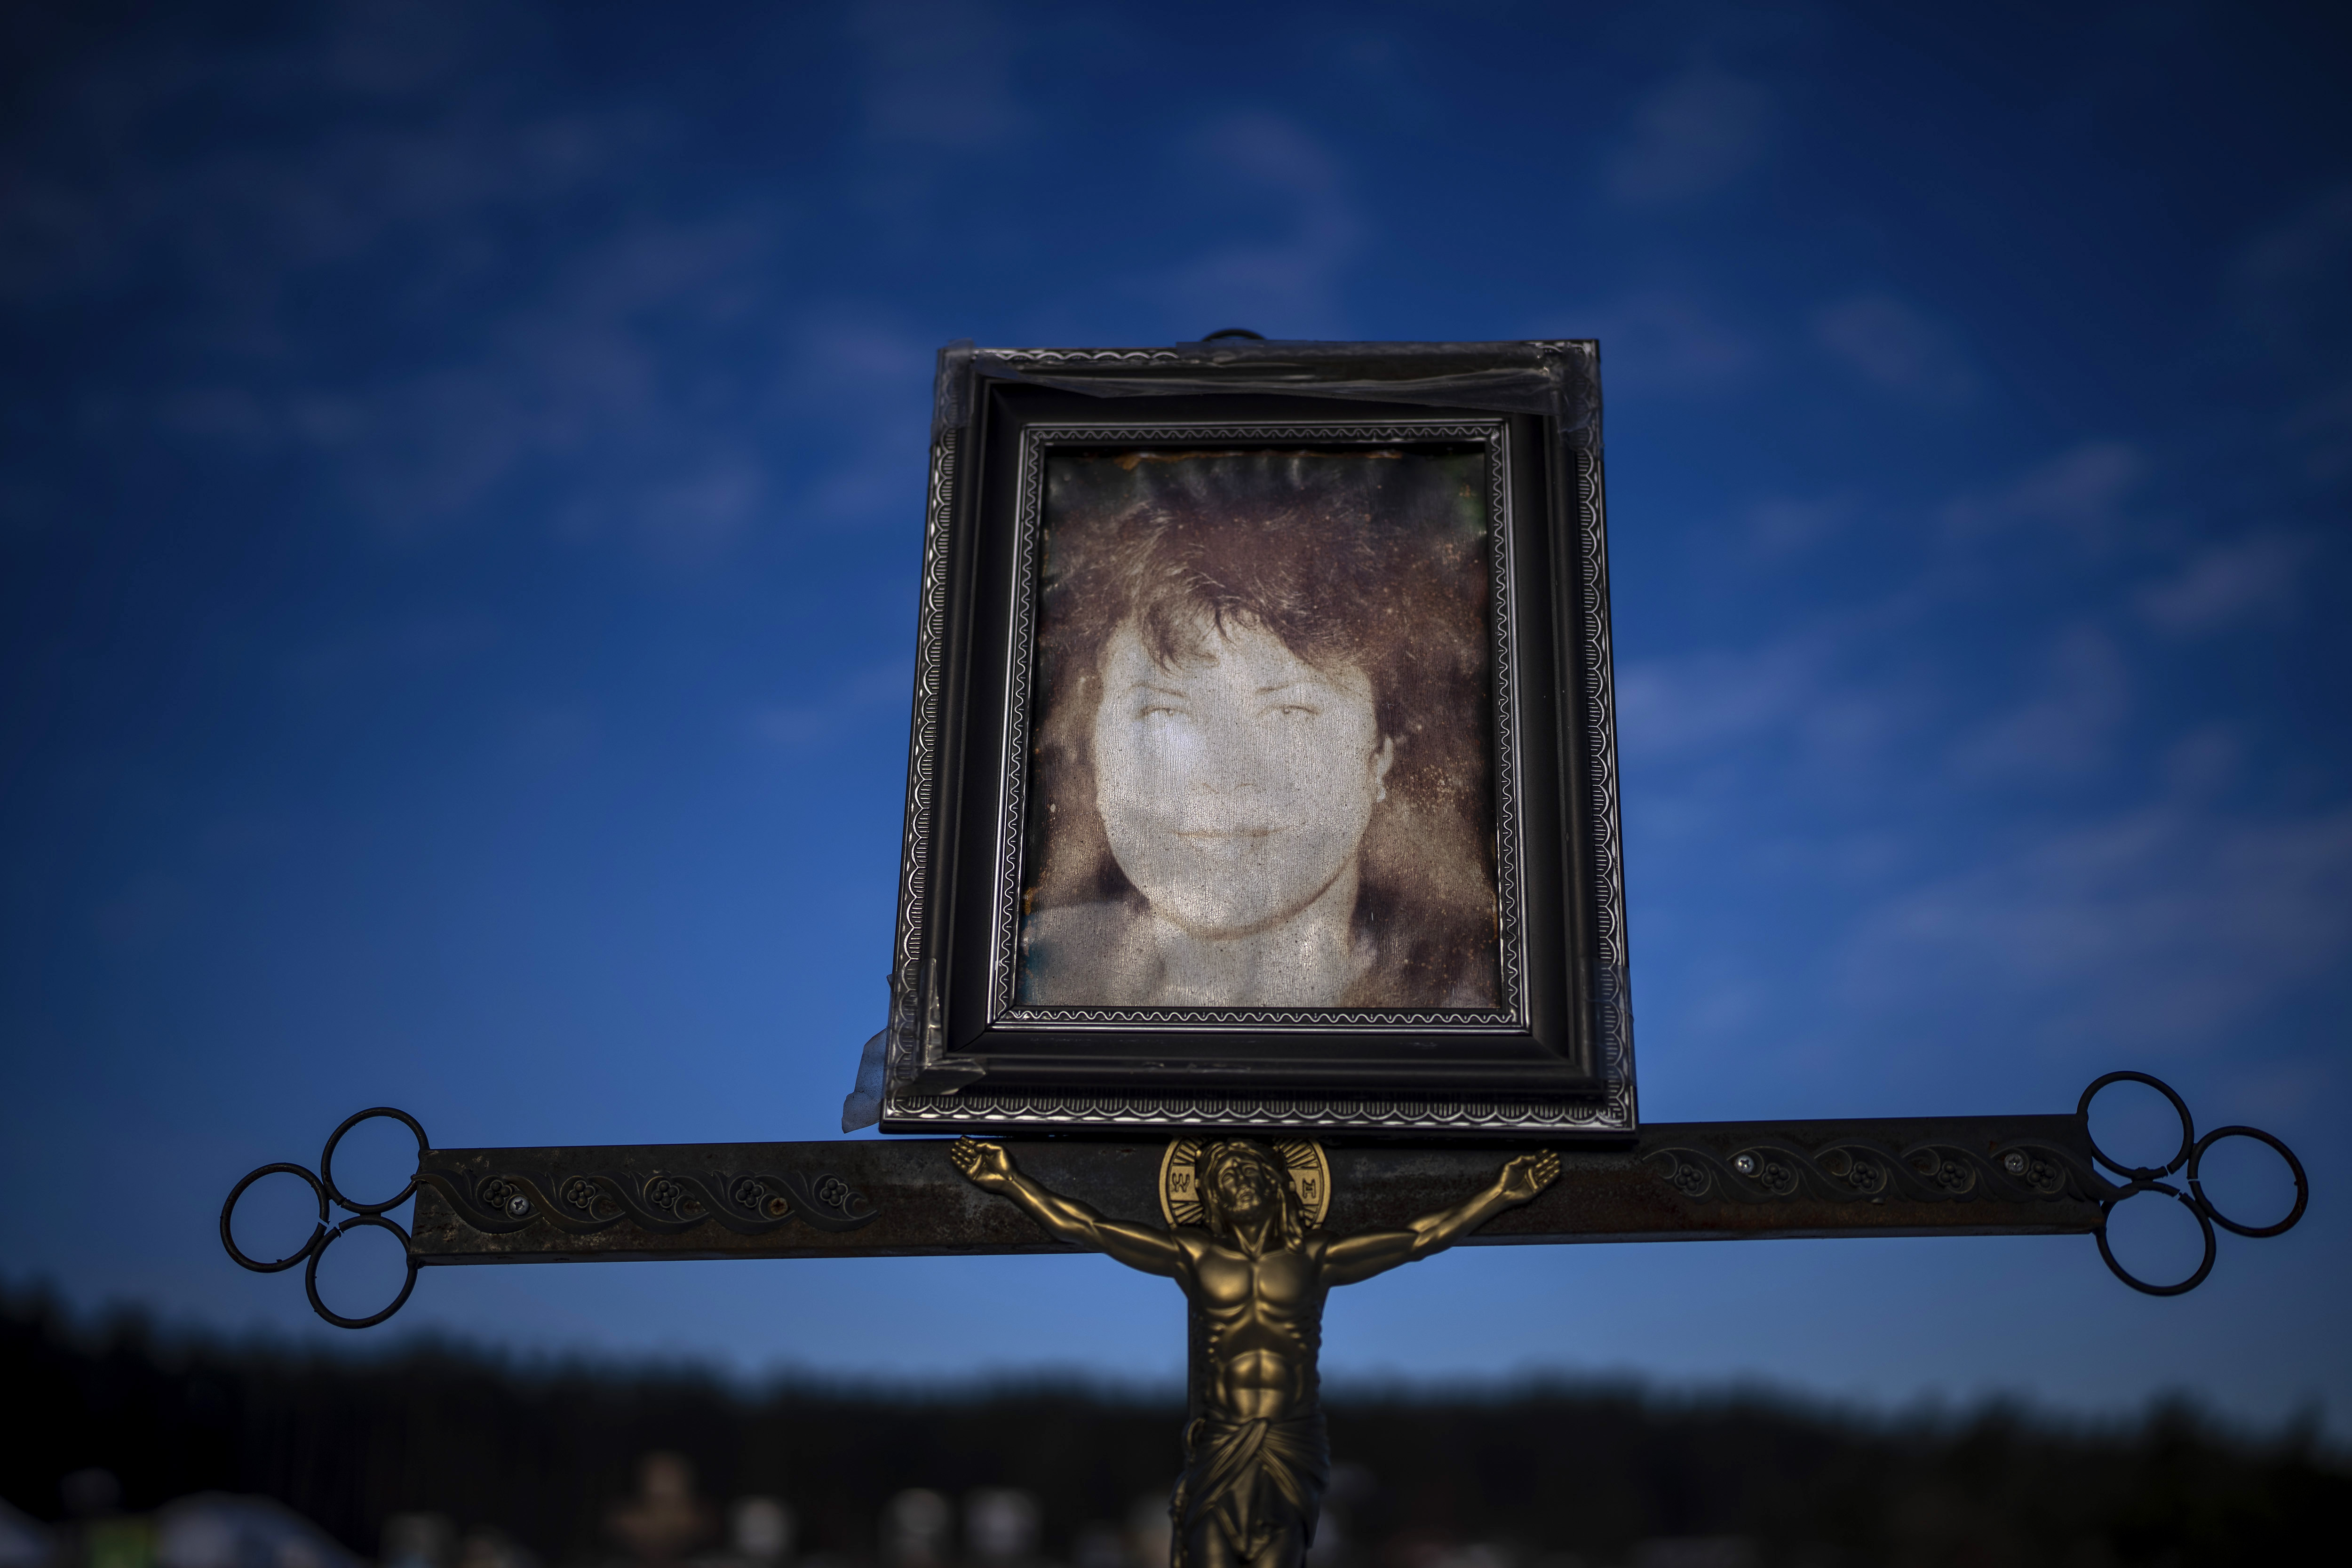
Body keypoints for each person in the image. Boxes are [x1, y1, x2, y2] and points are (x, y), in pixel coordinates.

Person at [1018, 451, 1499, 1010]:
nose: (1222, 778)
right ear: (1094, 752)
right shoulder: (1004, 985)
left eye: (1288, 715)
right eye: (1163, 713)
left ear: (1381, 755)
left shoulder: (1480, 1015)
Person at [948, 1135, 1560, 1568]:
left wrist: (1502, 1192)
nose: (1237, 1182)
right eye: (1224, 1177)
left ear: (1276, 1184)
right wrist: (1009, 1180)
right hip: (1221, 1441)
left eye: (1248, 1172)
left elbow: (1420, 1237)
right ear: (1210, 1196)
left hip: (1291, 1441)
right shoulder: (1196, 1258)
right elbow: (1087, 1226)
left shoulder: (1313, 1258)